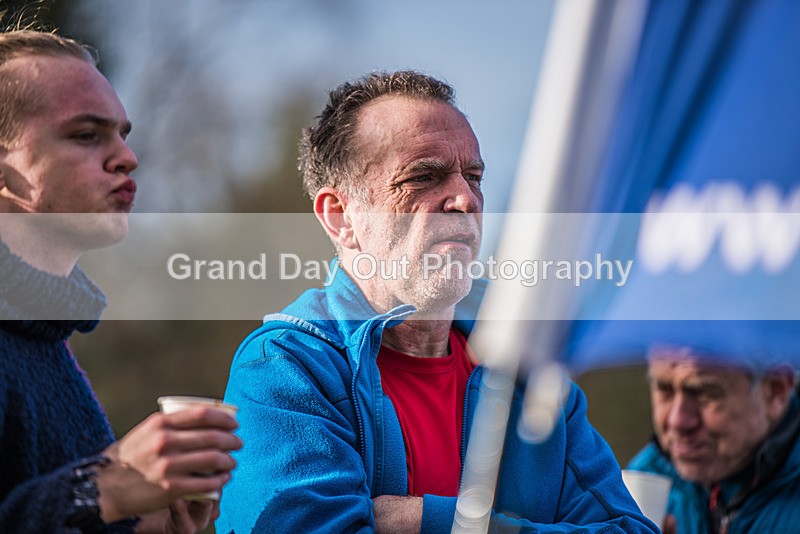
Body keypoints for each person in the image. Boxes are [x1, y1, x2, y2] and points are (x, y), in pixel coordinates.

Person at [217, 70, 657, 533]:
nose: (465, 199)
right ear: (341, 216)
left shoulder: (528, 376)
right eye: (423, 177)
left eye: (474, 176)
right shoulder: (283, 369)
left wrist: (432, 521)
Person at [0, 30, 242, 532]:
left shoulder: (46, 339)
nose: (127, 158)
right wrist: (100, 490)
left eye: (122, 135)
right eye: (86, 135)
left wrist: (142, 522)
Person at [628, 346, 800, 534]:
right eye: (664, 389)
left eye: (705, 393)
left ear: (776, 389)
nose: (677, 420)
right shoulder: (644, 478)